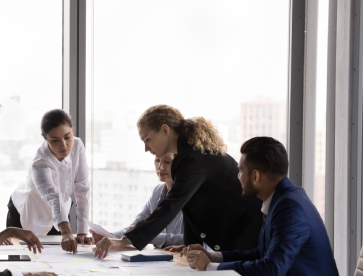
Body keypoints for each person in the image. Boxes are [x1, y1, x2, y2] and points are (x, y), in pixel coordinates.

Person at [93, 104, 263, 259]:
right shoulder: (187, 154)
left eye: (147, 140)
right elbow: (189, 207)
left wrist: (124, 241)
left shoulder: (192, 157)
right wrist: (190, 245)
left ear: (165, 130)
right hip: (235, 226)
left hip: (244, 228)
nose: (146, 148)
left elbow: (171, 206)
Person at [183, 137, 343, 276]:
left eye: (240, 171)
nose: (238, 177)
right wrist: (212, 257)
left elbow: (272, 269)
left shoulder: (290, 207)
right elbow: (261, 253)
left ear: (255, 176)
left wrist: (210, 268)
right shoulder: (281, 200)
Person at [8, 109, 91, 253]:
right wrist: (66, 232)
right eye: (55, 140)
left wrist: (82, 232)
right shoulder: (39, 163)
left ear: (72, 131)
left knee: (62, 258)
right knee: (28, 262)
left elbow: (83, 189)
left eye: (67, 137)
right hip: (28, 212)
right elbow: (53, 197)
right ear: (44, 137)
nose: (64, 145)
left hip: (59, 214)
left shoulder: (78, 146)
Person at [94, 152, 184, 248]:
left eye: (167, 162)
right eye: (157, 160)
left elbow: (193, 239)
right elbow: (135, 227)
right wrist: (107, 236)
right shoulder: (157, 191)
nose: (160, 167)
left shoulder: (191, 196)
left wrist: (149, 236)